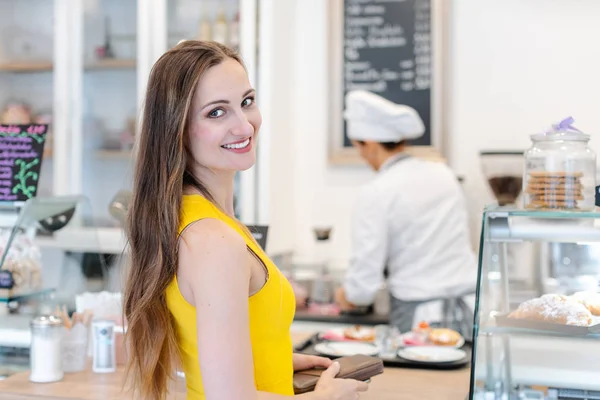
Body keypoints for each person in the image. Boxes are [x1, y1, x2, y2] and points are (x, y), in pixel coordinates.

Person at [122, 41, 369, 400]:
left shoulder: (206, 221)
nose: (244, 125)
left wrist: (275, 359)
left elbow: (202, 352)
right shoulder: (213, 241)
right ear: (178, 129)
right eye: (216, 113)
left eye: (246, 102)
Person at [334, 90, 477, 336]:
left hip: (420, 320)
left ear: (369, 145)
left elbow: (363, 284)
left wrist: (346, 295)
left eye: (358, 147)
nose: (361, 156)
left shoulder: (377, 191)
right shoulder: (443, 174)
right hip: (470, 310)